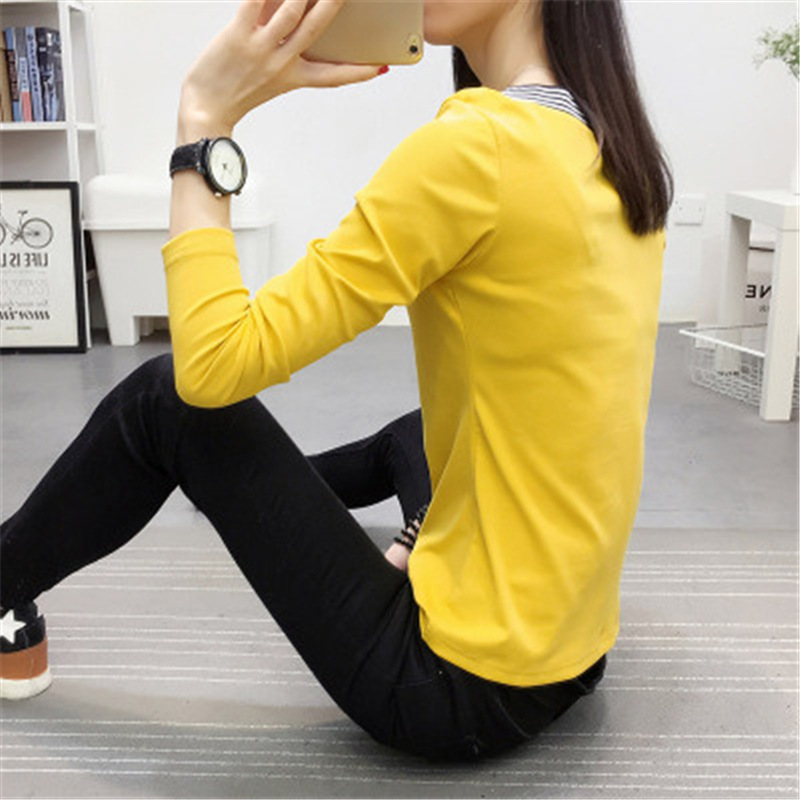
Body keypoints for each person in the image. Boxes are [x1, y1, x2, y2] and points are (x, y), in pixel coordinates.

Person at [0, 0, 673, 760]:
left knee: (165, 403)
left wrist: (204, 121)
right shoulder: (607, 144)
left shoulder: (480, 147)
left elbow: (212, 365)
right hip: (572, 651)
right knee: (417, 436)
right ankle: (239, 494)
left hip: (457, 688)